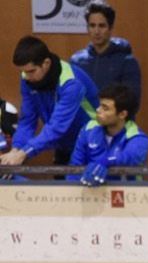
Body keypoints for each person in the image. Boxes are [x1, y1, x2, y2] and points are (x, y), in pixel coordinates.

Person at [2, 37, 98, 168]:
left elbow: (57, 127)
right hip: (63, 145)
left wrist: (25, 152)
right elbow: (27, 120)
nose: (26, 77)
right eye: (23, 72)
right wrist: (16, 149)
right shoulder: (27, 78)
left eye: (31, 71)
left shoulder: (72, 83)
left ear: (46, 63)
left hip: (92, 145)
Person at [70, 83, 148, 185]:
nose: (98, 110)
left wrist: (106, 162)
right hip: (90, 193)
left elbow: (128, 156)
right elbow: (75, 168)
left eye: (105, 108)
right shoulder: (89, 129)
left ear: (122, 114)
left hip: (127, 195)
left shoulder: (137, 138)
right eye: (100, 105)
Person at [71, 2, 142, 106]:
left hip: (114, 121)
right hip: (85, 121)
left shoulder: (127, 62)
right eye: (92, 25)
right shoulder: (77, 61)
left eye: (102, 26)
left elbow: (132, 102)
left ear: (111, 28)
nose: (96, 31)